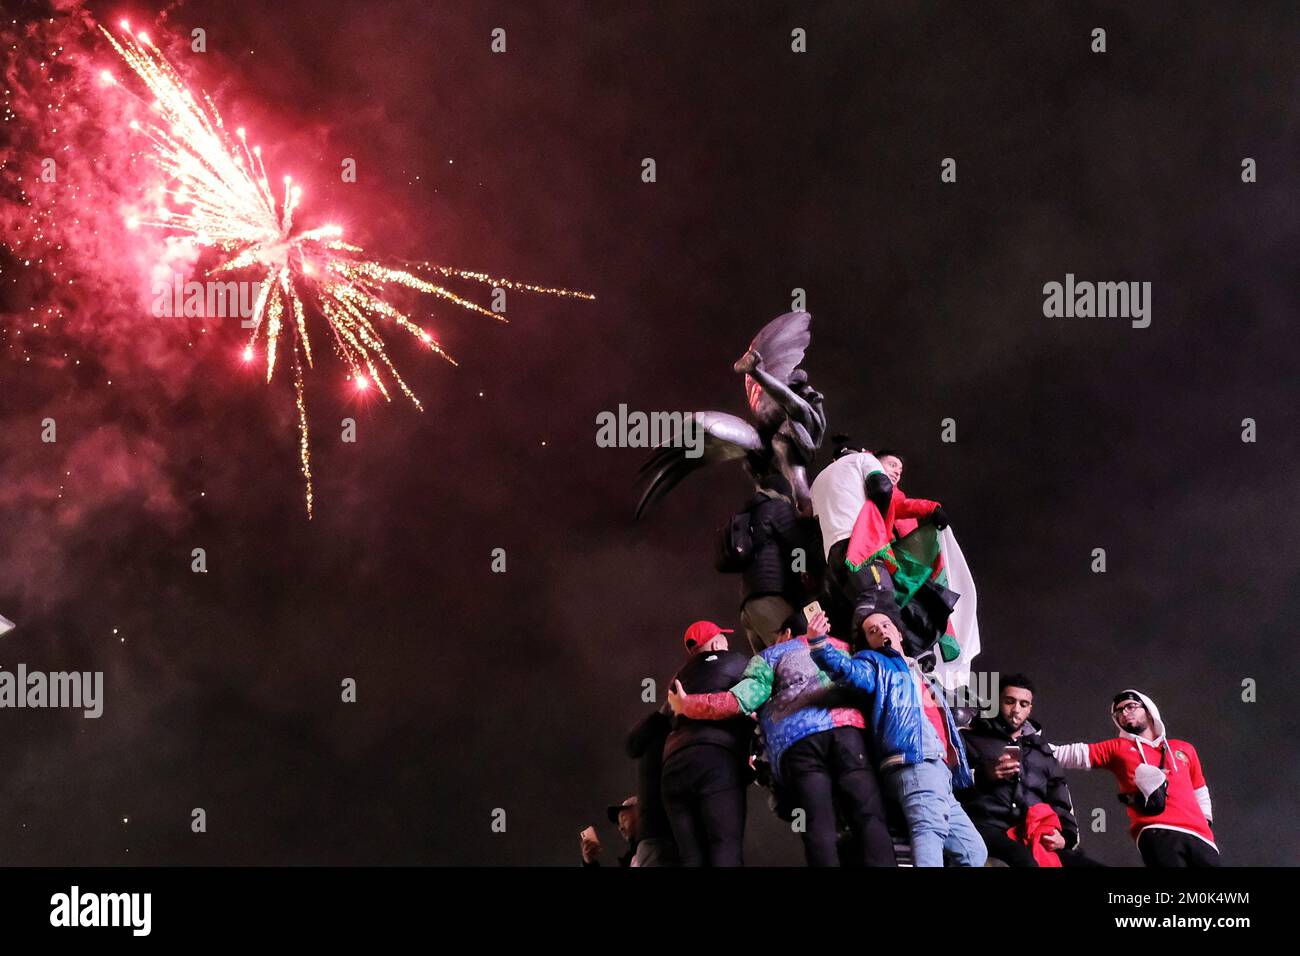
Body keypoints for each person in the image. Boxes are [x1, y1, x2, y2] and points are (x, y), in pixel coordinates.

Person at [669, 609, 895, 867]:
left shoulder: (769, 656)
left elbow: (740, 700)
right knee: (869, 816)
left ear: (786, 633)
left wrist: (688, 704)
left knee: (818, 823)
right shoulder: (843, 647)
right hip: (847, 733)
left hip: (798, 743)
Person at [807, 600, 986, 867]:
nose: (880, 630)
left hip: (940, 770)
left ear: (899, 633)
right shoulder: (875, 664)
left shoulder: (921, 672)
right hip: (914, 760)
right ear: (868, 643)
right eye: (872, 631)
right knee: (929, 833)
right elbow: (847, 671)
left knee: (973, 852)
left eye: (885, 624)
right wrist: (819, 645)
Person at [1052, 690, 1220, 867]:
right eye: (1119, 711)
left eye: (1131, 706)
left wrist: (1205, 821)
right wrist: (1025, 745)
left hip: (1201, 837)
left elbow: (1200, 789)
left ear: (1148, 710)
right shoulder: (1118, 748)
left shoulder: (1184, 748)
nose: (1125, 713)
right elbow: (1070, 754)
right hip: (1156, 831)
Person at [958, 674, 1102, 867]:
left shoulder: (1041, 749)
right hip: (986, 827)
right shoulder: (969, 738)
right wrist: (983, 775)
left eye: (1023, 704)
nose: (1016, 709)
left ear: (1030, 709)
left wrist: (1065, 836)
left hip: (1032, 831)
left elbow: (1058, 795)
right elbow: (946, 783)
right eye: (1009, 701)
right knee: (1025, 861)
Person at [657, 621, 753, 866]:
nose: (727, 643)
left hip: (672, 766)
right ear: (714, 642)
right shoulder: (734, 662)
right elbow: (757, 694)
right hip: (715, 759)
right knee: (724, 845)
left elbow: (664, 718)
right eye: (724, 637)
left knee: (691, 857)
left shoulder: (677, 678)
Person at [736, 473, 809, 652]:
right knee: (792, 655)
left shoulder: (748, 513)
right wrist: (803, 572)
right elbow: (797, 544)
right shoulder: (777, 505)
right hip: (771, 596)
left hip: (749, 603)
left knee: (768, 668)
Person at [581, 795, 639, 867]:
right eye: (619, 823)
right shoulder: (631, 859)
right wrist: (589, 862)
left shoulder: (653, 848)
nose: (620, 828)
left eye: (624, 819)